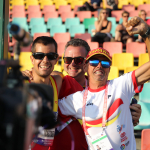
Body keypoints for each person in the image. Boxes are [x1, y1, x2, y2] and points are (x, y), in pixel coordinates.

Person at [23, 38, 141, 149]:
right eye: (68, 59)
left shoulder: (104, 89)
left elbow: (119, 116)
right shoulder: (58, 83)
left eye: (79, 60)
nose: (73, 64)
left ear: (86, 64)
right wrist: (26, 75)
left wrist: (132, 116)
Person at [58, 16, 150, 149]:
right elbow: (48, 109)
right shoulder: (74, 99)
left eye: (105, 63)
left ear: (109, 68)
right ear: (86, 67)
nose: (99, 66)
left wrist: (146, 33)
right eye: (94, 62)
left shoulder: (121, 85)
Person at [24, 36, 63, 150]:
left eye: (51, 56)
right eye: (39, 56)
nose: (45, 60)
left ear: (56, 59)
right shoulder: (22, 85)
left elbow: (58, 74)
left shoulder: (58, 81)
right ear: (32, 59)